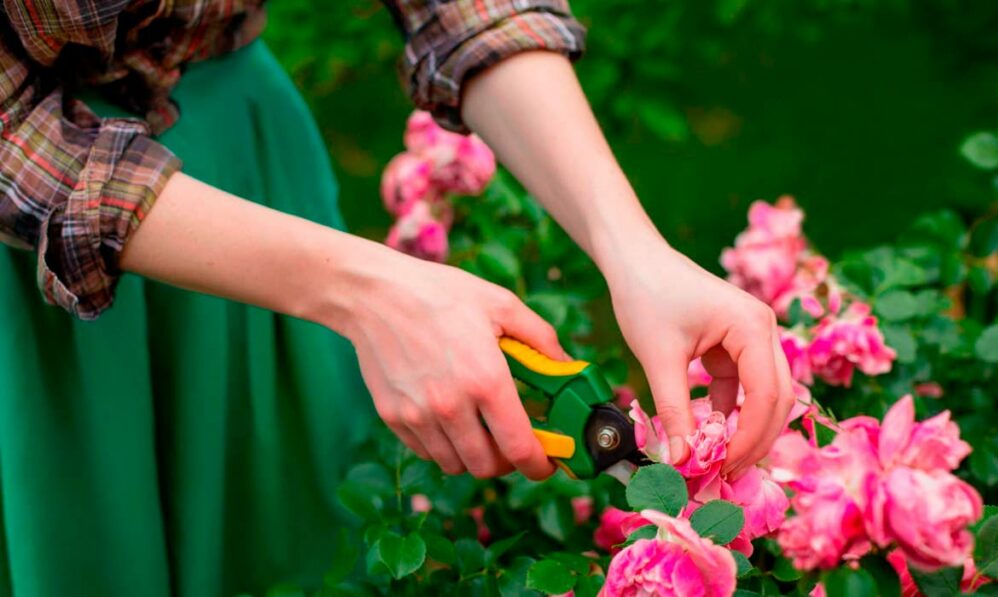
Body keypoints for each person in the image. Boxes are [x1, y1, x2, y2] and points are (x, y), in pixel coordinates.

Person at [0, 0, 794, 594]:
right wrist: (364, 291)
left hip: (248, 165)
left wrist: (633, 249)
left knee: (295, 549)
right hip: (45, 250)